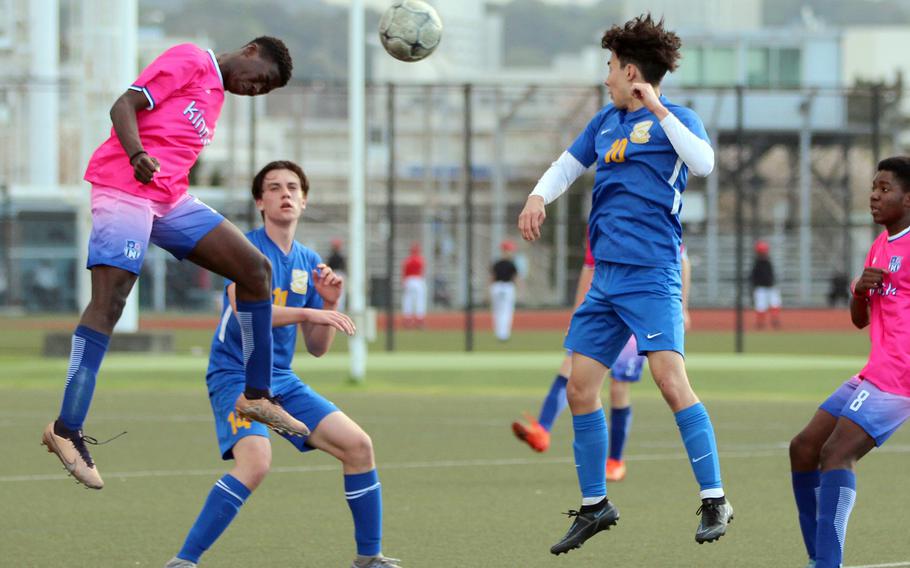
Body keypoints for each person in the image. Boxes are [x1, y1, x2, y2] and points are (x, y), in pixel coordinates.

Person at [41, 37, 308, 491]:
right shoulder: (191, 58)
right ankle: (65, 429)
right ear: (248, 51)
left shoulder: (218, 96)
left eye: (264, 91)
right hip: (125, 185)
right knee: (111, 303)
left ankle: (255, 395)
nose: (255, 89)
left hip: (169, 198)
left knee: (255, 270)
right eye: (260, 78)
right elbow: (123, 106)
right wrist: (136, 154)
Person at [517, 14, 732, 554]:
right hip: (606, 279)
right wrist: (538, 196)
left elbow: (704, 165)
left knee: (668, 380)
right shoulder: (605, 122)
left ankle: (714, 497)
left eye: (610, 67)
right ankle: (595, 505)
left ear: (631, 70)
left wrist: (656, 106)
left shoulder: (676, 119)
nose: (605, 77)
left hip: (652, 273)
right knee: (580, 386)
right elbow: (566, 166)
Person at [165, 161, 400, 568]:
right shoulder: (242, 249)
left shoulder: (309, 262)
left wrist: (328, 302)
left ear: (304, 200)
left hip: (281, 380)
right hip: (235, 376)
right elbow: (244, 309)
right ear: (260, 201)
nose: (284, 193)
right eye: (273, 188)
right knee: (256, 462)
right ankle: (184, 562)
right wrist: (310, 313)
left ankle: (369, 558)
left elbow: (318, 348)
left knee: (359, 447)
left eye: (292, 187)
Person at [789, 157, 910, 568]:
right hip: (874, 371)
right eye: (873, 187)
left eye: (884, 188)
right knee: (804, 448)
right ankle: (818, 557)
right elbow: (861, 319)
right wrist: (860, 290)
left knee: (837, 453)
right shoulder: (879, 245)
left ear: (908, 198)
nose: (874, 196)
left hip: (900, 379)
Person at [512, 237, 691, 484]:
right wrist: (577, 316)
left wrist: (682, 306)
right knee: (571, 367)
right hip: (604, 309)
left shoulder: (652, 213)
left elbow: (682, 260)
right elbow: (589, 269)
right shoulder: (601, 219)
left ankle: (615, 460)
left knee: (619, 386)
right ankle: (542, 430)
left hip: (640, 310)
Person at [490, 239, 519, 341]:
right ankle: (504, 334)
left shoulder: (497, 263)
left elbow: (492, 278)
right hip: (507, 287)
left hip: (497, 287)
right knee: (505, 310)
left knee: (498, 311)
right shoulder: (511, 264)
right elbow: (515, 278)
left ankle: (499, 333)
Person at [750, 240, 781, 329]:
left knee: (775, 303)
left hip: (770, 287)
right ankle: (760, 323)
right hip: (761, 288)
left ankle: (775, 320)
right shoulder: (757, 264)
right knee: (761, 306)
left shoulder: (768, 262)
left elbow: (771, 275)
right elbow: (753, 277)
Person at [400, 242, 426, 328]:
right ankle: (420, 320)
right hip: (418, 280)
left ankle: (407, 320)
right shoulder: (420, 260)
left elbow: (404, 272)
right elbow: (422, 271)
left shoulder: (407, 260)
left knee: (408, 300)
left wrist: (404, 282)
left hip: (409, 280)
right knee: (419, 300)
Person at [326, 238, 347, 310]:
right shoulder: (333, 256)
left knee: (340, 293)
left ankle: (339, 308)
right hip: (335, 273)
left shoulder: (339, 256)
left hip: (338, 274)